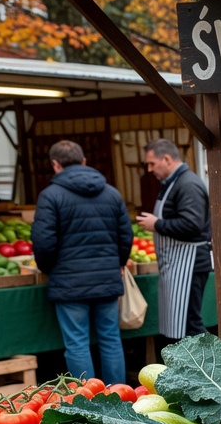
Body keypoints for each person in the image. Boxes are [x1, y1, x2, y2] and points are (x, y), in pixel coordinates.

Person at [31, 140, 132, 385]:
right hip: (107, 279)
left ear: (55, 165)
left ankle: (86, 402)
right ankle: (119, 396)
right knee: (110, 338)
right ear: (84, 161)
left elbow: (43, 242)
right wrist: (117, 263)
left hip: (69, 282)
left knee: (77, 343)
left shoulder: (50, 196)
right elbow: (126, 235)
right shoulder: (112, 193)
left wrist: (48, 268)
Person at [135, 139, 211, 342]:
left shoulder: (187, 184)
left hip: (190, 264)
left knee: (190, 324)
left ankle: (215, 366)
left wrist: (157, 224)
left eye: (152, 163)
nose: (149, 169)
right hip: (179, 264)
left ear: (167, 159)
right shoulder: (173, 183)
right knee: (182, 324)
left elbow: (192, 224)